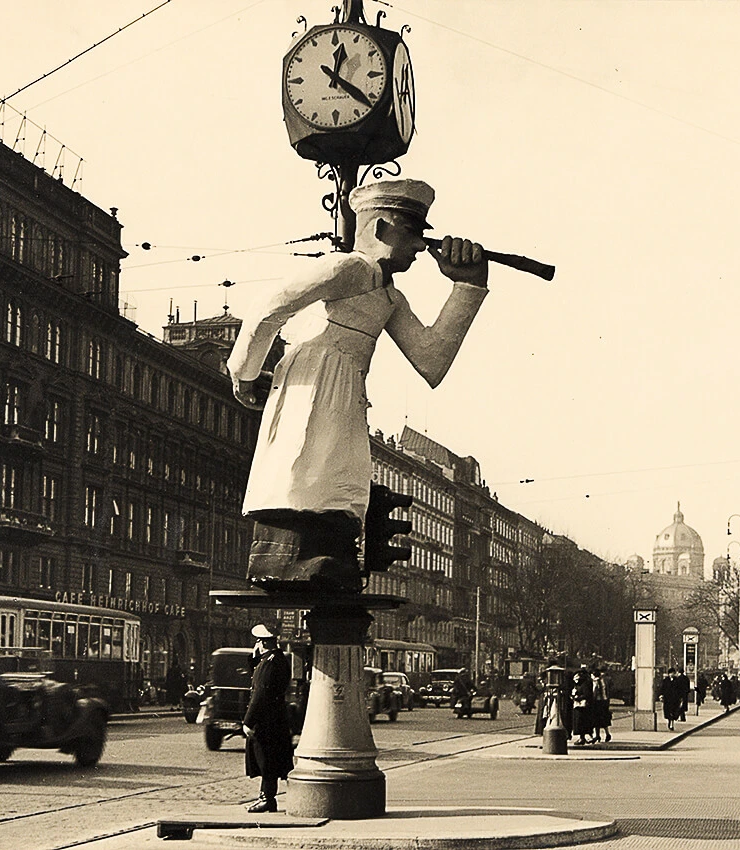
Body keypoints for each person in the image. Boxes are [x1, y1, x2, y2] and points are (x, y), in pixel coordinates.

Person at [227, 179, 489, 591]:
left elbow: (432, 360)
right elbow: (268, 308)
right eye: (413, 233)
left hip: (345, 389)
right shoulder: (345, 267)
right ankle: (293, 558)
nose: (422, 246)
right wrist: (243, 373)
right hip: (312, 380)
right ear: (381, 227)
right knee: (306, 468)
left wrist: (467, 285)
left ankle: (322, 556)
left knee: (333, 475)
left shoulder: (390, 297)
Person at [242, 624, 294, 813]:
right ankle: (266, 797)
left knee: (266, 760)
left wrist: (248, 720)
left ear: (262, 643)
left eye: (258, 641)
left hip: (266, 721)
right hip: (275, 718)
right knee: (269, 760)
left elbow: (260, 693)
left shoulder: (270, 663)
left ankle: (267, 798)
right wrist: (254, 659)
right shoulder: (276, 659)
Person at [570, 668, 595, 745]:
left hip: (583, 706)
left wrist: (577, 697)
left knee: (582, 722)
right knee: (580, 723)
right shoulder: (579, 684)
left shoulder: (585, 684)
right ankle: (584, 737)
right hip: (578, 705)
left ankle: (583, 738)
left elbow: (587, 694)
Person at [591, 668, 612, 743]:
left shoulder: (596, 682)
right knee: (604, 719)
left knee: (596, 719)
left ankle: (597, 735)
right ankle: (606, 734)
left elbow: (595, 692)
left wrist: (592, 699)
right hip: (604, 701)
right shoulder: (604, 680)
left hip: (598, 702)